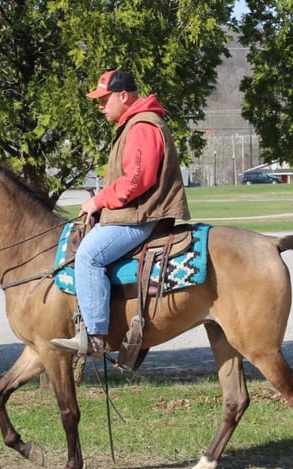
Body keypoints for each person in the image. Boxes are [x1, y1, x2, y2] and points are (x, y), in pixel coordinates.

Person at [51, 69, 190, 356]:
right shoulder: (133, 124)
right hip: (135, 213)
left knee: (88, 256)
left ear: (123, 96)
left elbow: (137, 181)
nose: (100, 106)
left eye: (104, 99)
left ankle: (95, 336)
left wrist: (98, 201)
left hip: (141, 216)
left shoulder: (142, 127)